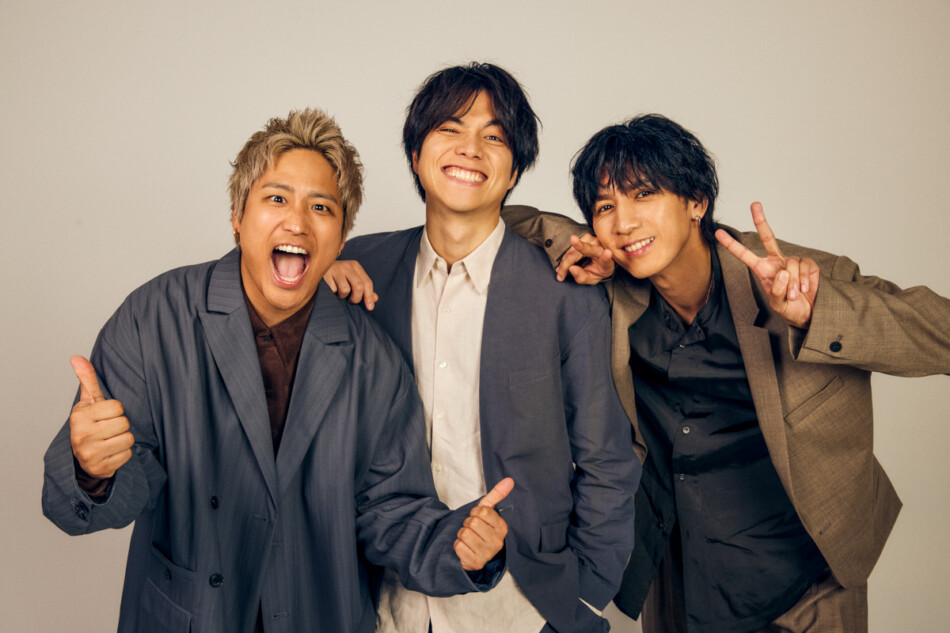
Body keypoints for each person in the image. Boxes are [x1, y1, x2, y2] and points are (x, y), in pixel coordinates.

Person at [42, 108, 514, 633]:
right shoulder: (153, 318)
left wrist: (458, 548)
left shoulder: (373, 360)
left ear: (341, 237)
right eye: (276, 198)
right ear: (237, 215)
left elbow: (391, 512)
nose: (297, 221)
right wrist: (92, 470)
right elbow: (112, 498)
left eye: (321, 207)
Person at [502, 113, 950, 633]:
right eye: (606, 207)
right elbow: (494, 218)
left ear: (696, 202)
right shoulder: (608, 290)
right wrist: (572, 241)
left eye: (643, 194)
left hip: (807, 581)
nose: (623, 223)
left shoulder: (797, 277)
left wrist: (821, 313)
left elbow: (940, 333)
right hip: (678, 575)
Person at [325, 63, 640, 633]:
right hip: (386, 601)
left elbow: (607, 461)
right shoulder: (362, 269)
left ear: (514, 169)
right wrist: (319, 278)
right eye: (450, 128)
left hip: (524, 607)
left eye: (493, 137)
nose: (470, 149)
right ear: (416, 154)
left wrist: (587, 600)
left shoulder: (565, 288)